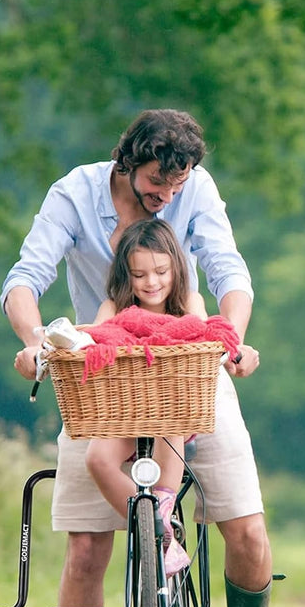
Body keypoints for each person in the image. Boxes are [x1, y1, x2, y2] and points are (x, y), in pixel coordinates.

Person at [1, 109, 290, 607]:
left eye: (177, 185)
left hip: (189, 368)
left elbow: (227, 272)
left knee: (247, 527)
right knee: (84, 548)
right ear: (127, 161)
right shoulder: (74, 194)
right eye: (156, 184)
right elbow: (25, 280)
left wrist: (234, 340)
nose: (167, 196)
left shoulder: (196, 188)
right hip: (102, 376)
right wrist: (36, 343)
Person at [84, 218, 205, 577]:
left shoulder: (188, 301)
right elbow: (97, 337)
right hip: (126, 412)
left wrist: (149, 336)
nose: (151, 282)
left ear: (175, 268)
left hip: (174, 412)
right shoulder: (113, 308)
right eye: (139, 275)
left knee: (173, 420)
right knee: (97, 457)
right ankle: (153, 527)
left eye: (161, 271)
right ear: (126, 276)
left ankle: (163, 511)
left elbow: (198, 334)